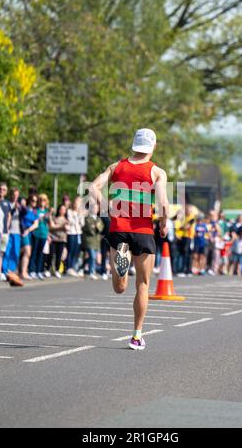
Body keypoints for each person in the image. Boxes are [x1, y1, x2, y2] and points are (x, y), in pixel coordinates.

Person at [90, 128, 168, 350]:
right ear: (153, 146)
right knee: (143, 284)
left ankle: (121, 272)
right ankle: (136, 335)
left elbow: (94, 187)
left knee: (119, 288)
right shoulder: (157, 172)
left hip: (119, 229)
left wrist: (105, 206)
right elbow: (162, 203)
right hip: (143, 231)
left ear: (134, 145)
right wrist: (163, 224)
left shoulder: (116, 167)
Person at [29, 194, 50, 280]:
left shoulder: (47, 211)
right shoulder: (35, 211)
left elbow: (48, 224)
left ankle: (39, 271)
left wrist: (48, 234)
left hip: (44, 234)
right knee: (34, 252)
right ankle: (32, 270)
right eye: (40, 200)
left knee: (41, 253)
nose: (42, 202)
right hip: (36, 233)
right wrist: (42, 218)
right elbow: (34, 220)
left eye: (44, 200)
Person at [82, 204, 104, 280]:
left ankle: (84, 268)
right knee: (92, 256)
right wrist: (95, 226)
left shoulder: (98, 218)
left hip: (96, 241)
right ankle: (91, 271)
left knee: (93, 257)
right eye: (94, 208)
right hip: (89, 240)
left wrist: (96, 226)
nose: (95, 209)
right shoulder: (88, 218)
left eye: (96, 208)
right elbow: (89, 229)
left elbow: (101, 227)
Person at [2, 187, 21, 275]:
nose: (15, 197)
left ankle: (11, 270)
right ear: (11, 195)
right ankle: (5, 270)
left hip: (17, 231)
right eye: (14, 195)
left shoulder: (20, 205)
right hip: (9, 231)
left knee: (16, 252)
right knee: (7, 251)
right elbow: (9, 215)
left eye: (17, 195)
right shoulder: (7, 204)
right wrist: (14, 209)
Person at [20, 195, 39, 280]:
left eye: (35, 201)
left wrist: (29, 230)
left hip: (29, 233)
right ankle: (23, 272)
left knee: (25, 253)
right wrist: (26, 230)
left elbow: (36, 224)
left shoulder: (34, 212)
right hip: (23, 232)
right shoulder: (25, 209)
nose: (34, 202)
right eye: (32, 200)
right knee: (27, 252)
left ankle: (23, 271)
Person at [48, 204, 69, 278]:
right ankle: (48, 269)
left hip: (62, 240)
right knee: (51, 254)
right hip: (54, 239)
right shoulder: (55, 218)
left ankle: (57, 270)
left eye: (64, 209)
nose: (62, 210)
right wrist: (61, 227)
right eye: (61, 209)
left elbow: (67, 228)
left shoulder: (66, 220)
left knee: (59, 256)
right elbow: (52, 227)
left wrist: (58, 227)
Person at [0, 182, 12, 281]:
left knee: (1, 253)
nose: (2, 191)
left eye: (4, 190)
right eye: (0, 189)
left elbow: (9, 215)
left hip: (5, 231)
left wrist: (8, 227)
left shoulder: (7, 203)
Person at [66, 196, 84, 277]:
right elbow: (71, 221)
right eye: (77, 202)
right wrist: (77, 218)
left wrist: (80, 215)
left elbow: (82, 223)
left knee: (76, 252)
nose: (78, 204)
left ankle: (73, 267)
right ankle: (68, 268)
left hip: (78, 233)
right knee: (71, 251)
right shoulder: (69, 211)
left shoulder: (80, 213)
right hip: (71, 233)